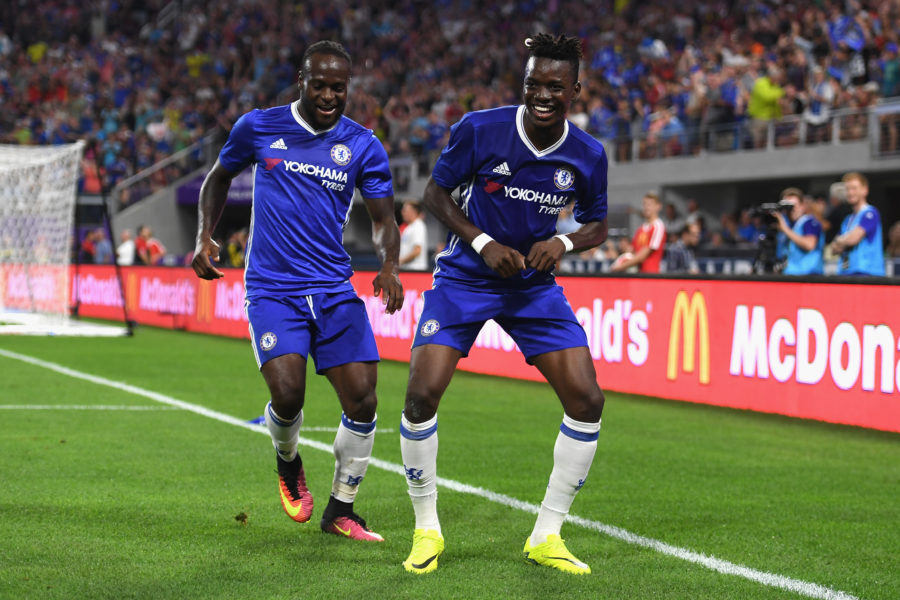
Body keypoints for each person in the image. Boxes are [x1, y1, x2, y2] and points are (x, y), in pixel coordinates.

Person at [399, 33, 608, 576]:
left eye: (555, 87)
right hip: (466, 278)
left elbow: (598, 224)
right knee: (421, 395)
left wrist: (561, 243)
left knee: (586, 400)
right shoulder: (481, 129)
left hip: (533, 286)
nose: (541, 94)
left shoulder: (587, 154)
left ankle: (547, 534)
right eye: (532, 83)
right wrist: (482, 243)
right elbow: (434, 195)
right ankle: (426, 531)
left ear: (576, 90)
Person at [191, 40, 404, 542]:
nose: (329, 95)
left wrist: (389, 265)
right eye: (320, 85)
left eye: (339, 87)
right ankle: (288, 462)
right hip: (273, 289)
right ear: (302, 80)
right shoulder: (259, 127)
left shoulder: (363, 145)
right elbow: (218, 178)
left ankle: (341, 510)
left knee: (364, 401)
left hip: (333, 288)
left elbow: (383, 218)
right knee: (287, 394)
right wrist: (206, 233)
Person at [830, 172, 885, 276]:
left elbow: (853, 239)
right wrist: (843, 241)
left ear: (865, 190)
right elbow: (833, 249)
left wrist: (841, 240)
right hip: (846, 272)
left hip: (867, 274)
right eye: (847, 189)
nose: (850, 193)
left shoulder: (870, 213)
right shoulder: (847, 219)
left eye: (854, 188)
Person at [611, 192, 666, 273]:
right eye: (644, 204)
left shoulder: (658, 226)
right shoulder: (641, 229)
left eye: (649, 204)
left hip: (651, 275)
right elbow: (632, 250)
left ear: (658, 206)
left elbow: (642, 256)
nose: (646, 207)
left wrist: (619, 267)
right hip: (638, 274)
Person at [774, 188, 825, 275]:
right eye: (787, 207)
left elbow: (809, 244)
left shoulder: (809, 222)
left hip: (809, 276)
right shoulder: (790, 225)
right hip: (791, 275)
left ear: (802, 206)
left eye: (794, 206)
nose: (792, 210)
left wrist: (785, 229)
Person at [398, 200, 428, 270]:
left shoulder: (418, 225)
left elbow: (417, 251)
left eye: (404, 210)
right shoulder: (409, 227)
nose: (402, 213)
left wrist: (401, 261)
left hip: (415, 270)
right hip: (407, 269)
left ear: (413, 211)